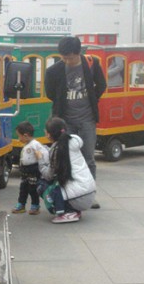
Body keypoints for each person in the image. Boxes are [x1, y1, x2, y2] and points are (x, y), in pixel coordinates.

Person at [44, 35, 106, 209]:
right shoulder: (54, 71)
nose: (67, 61)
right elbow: (50, 93)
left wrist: (92, 99)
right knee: (65, 157)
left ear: (78, 53)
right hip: (65, 121)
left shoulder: (92, 63)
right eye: (64, 57)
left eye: (70, 57)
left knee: (88, 158)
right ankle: (68, 194)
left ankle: (90, 194)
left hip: (87, 119)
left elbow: (101, 85)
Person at [38, 117, 96, 224]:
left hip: (78, 198)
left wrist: (40, 160)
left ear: (49, 134)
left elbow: (48, 175)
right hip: (89, 193)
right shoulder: (73, 142)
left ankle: (68, 212)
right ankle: (74, 210)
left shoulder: (56, 150)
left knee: (42, 184)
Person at [12, 121, 48, 215]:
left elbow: (44, 153)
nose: (18, 139)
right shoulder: (27, 144)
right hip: (25, 170)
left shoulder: (35, 144)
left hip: (33, 170)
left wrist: (40, 158)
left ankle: (35, 205)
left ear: (26, 135)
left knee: (33, 189)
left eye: (19, 136)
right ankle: (21, 204)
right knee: (23, 188)